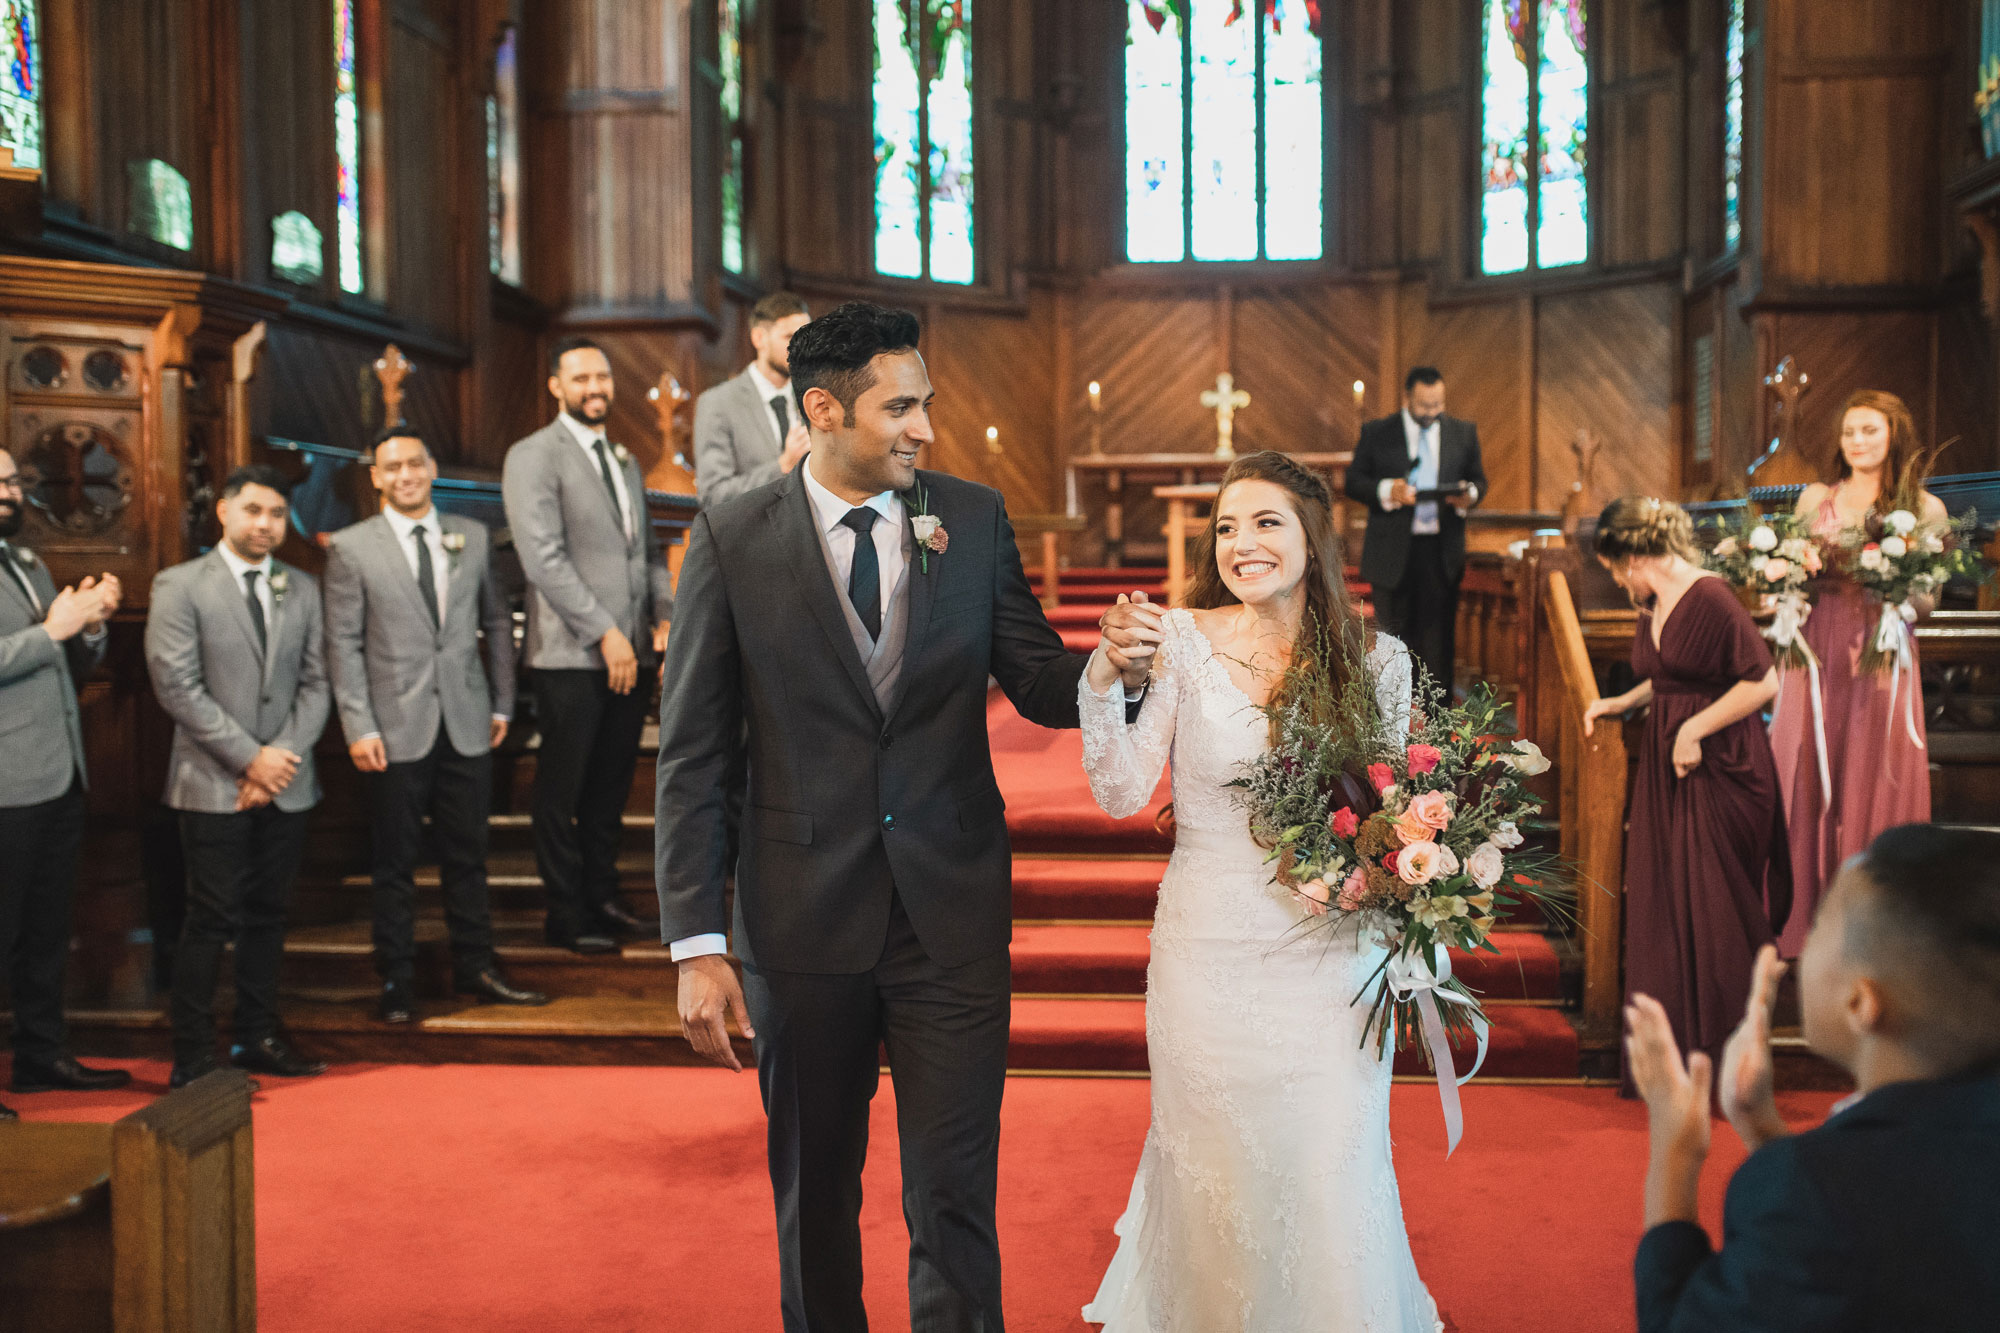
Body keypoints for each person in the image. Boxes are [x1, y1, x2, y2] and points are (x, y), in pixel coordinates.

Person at [656, 300, 1157, 1333]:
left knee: (952, 1195)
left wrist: (1113, 666)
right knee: (815, 1193)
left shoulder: (967, 518)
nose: (925, 428)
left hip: (950, 914)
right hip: (798, 919)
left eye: (925, 403)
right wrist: (697, 941)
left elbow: (1036, 681)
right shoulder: (731, 532)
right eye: (901, 407)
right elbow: (696, 751)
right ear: (825, 408)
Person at [1076, 450, 1438, 1331]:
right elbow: (1123, 792)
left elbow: (1404, 811)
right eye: (1227, 527)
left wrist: (1403, 884)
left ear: (1312, 538)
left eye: (1266, 522)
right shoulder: (1182, 645)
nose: (1242, 544)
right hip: (1208, 949)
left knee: (1328, 1157)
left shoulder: (1381, 661)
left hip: (1332, 955)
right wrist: (1098, 683)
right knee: (1220, 1158)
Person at [1625, 823, 2000, 1331]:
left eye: (1819, 925)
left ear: (1861, 1002)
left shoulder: (1799, 1196)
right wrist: (1760, 1125)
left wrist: (1675, 1154)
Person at [324, 430, 548, 1024]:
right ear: (375, 476)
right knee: (395, 861)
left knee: (468, 855)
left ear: (431, 468)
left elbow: (497, 623)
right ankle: (396, 980)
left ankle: (477, 967)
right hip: (392, 726)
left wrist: (503, 703)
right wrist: (357, 725)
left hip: (468, 719)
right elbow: (342, 643)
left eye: (415, 464)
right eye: (392, 467)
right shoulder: (350, 548)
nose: (405, 475)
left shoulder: (470, 536)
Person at [1582, 497, 1790, 1098]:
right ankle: (1673, 1063)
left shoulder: (1713, 597)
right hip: (1671, 766)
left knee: (1717, 910)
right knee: (1669, 904)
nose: (1620, 581)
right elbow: (1674, 675)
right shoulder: (1653, 600)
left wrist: (1694, 730)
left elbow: (1764, 679)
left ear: (1639, 553)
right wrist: (1624, 702)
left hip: (1721, 764)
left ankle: (1727, 1064)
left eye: (1619, 567)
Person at [145, 465, 330, 1089]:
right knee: (209, 918)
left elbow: (316, 684)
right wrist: (250, 759)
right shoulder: (180, 585)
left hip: (286, 781)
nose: (265, 524)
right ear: (223, 512)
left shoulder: (302, 588)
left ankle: (259, 1034)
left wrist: (277, 761)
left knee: (268, 914)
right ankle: (195, 1056)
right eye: (253, 510)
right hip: (210, 781)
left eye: (277, 513)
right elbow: (177, 687)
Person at [502, 337, 675, 954]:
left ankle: (603, 897)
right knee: (563, 789)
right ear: (556, 386)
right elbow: (543, 559)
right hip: (571, 655)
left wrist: (662, 617)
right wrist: (604, 632)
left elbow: (645, 551)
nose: (595, 388)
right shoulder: (532, 456)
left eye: (601, 377)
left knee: (609, 787)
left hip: (630, 650)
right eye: (581, 379)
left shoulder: (624, 458)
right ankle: (565, 911)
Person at [1769, 390, 1948, 957]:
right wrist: (1782, 577)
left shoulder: (1925, 507)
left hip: (1882, 651)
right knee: (1808, 776)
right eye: (1850, 431)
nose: (1858, 441)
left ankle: (1875, 933)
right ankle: (1801, 923)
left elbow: (1929, 602)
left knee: (1875, 771)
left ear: (1893, 434)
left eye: (1870, 430)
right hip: (1818, 648)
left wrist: (1896, 583)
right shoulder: (1816, 498)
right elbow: (1790, 580)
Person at [0, 447, 131, 1114]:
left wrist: (91, 626)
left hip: (59, 772)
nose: (7, 492)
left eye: (11, 480)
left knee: (48, 928)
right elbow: (36, 645)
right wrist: (52, 630)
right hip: (5, 781)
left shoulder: (26, 562)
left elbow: (65, 666)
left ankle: (39, 1055)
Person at [1343, 366, 1487, 695]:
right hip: (1391, 553)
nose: (1432, 413)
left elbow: (1479, 480)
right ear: (1407, 398)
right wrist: (1386, 490)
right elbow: (1354, 482)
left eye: (1438, 405)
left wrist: (1470, 495)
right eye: (1424, 406)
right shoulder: (1378, 432)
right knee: (1392, 644)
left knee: (1439, 646)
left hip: (1440, 553)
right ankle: (1391, 723)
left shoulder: (1462, 432)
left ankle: (1436, 729)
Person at [693, 291, 813, 507]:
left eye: (805, 337)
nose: (801, 348)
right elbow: (713, 495)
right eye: (789, 337)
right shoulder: (718, 403)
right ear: (759, 338)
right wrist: (783, 467)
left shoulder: (812, 397)